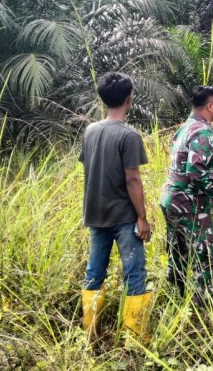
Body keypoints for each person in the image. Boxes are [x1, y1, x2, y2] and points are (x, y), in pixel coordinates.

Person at [80, 72, 152, 344]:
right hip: (123, 216)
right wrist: (142, 217)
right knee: (134, 272)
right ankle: (137, 337)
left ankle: (90, 332)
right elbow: (132, 178)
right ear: (129, 99)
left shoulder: (90, 131)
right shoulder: (129, 135)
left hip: (95, 214)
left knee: (94, 272)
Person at [160, 85, 213, 303]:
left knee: (179, 251)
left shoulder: (185, 128)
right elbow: (195, 172)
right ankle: (202, 306)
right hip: (189, 204)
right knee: (204, 255)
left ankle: (178, 301)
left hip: (172, 200)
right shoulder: (203, 132)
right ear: (210, 106)